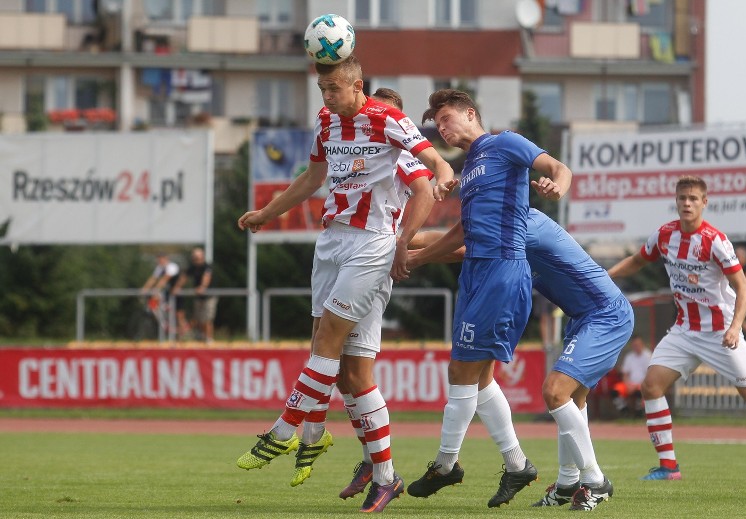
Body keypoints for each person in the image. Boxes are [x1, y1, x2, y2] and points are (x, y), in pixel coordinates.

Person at [235, 57, 457, 513]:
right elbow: (312, 179)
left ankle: (286, 429)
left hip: (371, 246)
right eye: (322, 89)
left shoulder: (388, 120)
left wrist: (408, 234)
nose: (326, 97)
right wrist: (266, 213)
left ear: (358, 87)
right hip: (331, 242)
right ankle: (383, 477)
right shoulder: (325, 122)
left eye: (333, 88)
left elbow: (434, 167)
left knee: (330, 342)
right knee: (346, 370)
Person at [402, 89, 571, 508]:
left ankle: (446, 464)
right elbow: (461, 233)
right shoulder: (470, 166)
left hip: (501, 270)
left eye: (446, 117)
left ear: (471, 113)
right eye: (436, 123)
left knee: (462, 370)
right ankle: (517, 466)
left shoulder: (503, 143)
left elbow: (556, 165)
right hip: (476, 272)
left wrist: (556, 185)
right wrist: (418, 257)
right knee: (479, 378)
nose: (441, 128)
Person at [607, 175, 746, 482]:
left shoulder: (715, 240)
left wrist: (735, 327)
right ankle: (669, 467)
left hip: (720, 332)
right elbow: (637, 261)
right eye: (682, 198)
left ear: (704, 203)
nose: (686, 203)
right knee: (651, 386)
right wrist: (604, 277)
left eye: (693, 199)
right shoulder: (664, 235)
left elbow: (743, 289)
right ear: (676, 201)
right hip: (685, 330)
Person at [404, 207, 632, 511]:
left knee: (555, 392)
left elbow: (461, 248)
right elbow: (460, 244)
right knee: (573, 401)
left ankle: (596, 482)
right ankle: (567, 483)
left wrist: (410, 247)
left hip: (606, 316)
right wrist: (407, 238)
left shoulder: (524, 223)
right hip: (583, 317)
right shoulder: (507, 222)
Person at [172, 247, 217, 343]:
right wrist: (177, 287)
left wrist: (202, 287)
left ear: (202, 257)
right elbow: (184, 277)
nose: (196, 260)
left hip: (208, 297)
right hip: (199, 297)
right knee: (198, 319)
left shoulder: (207, 267)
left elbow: (206, 278)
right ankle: (201, 336)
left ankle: (209, 339)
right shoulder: (193, 267)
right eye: (195, 258)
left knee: (207, 319)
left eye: (197, 258)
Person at [619, 335, 651, 417]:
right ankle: (624, 411)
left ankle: (638, 413)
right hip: (629, 384)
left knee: (638, 392)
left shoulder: (648, 355)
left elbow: (650, 375)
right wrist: (627, 385)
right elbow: (625, 374)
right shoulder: (629, 356)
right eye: (634, 345)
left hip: (642, 384)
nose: (636, 347)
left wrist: (637, 385)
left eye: (638, 344)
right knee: (615, 391)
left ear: (642, 344)